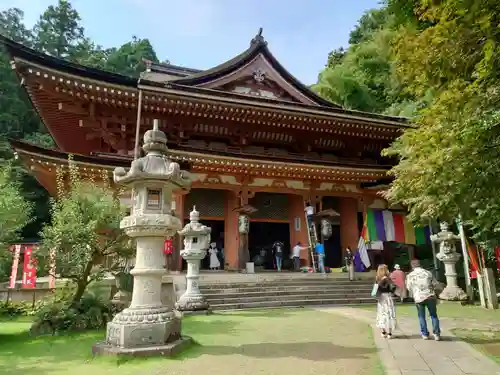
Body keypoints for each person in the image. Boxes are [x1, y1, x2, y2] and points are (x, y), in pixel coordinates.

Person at [406, 259, 441, 341]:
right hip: (430, 295)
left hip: (419, 297)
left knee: (421, 316)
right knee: (433, 315)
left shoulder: (410, 275)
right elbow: (435, 284)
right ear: (420, 264)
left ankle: (425, 334)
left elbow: (409, 287)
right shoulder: (428, 272)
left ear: (412, 266)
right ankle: (436, 334)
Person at [375, 264, 397, 339]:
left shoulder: (377, 279)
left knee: (381, 314)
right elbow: (393, 288)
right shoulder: (388, 279)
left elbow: (375, 289)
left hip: (381, 298)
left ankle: (383, 331)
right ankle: (390, 333)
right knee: (390, 313)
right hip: (388, 297)